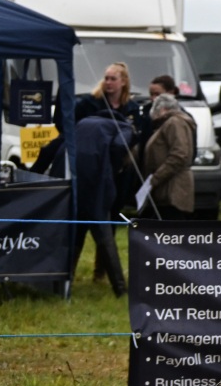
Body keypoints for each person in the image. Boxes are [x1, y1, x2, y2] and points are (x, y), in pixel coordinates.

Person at [69, 114, 131, 296]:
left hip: (75, 179)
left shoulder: (82, 122)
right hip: (97, 183)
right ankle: (120, 288)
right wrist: (115, 167)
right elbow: (120, 146)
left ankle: (65, 282)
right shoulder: (127, 129)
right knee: (104, 236)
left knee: (75, 233)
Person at [140, 93, 198, 219]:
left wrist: (155, 178)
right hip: (167, 189)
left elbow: (179, 155)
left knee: (169, 226)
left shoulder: (174, 123)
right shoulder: (172, 123)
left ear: (162, 109)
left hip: (173, 190)